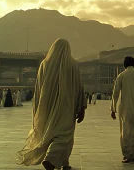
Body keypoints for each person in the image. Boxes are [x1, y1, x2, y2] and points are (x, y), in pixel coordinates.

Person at [16, 38, 86, 170]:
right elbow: (79, 86)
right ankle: (51, 158)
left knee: (51, 132)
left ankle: (64, 163)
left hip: (47, 106)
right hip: (66, 106)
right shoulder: (72, 64)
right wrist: (81, 106)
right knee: (64, 134)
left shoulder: (45, 64)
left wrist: (38, 107)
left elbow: (38, 88)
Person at [110, 56, 134, 163]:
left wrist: (113, 109)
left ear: (124, 65)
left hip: (125, 109)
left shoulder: (122, 76)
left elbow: (115, 93)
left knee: (126, 131)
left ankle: (128, 154)